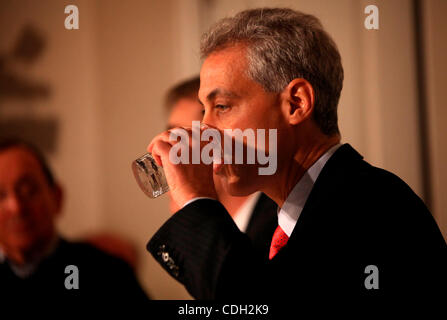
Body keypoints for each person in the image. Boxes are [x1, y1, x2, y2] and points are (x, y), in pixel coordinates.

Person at [146, 8, 447, 302]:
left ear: (296, 103)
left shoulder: (368, 208)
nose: (205, 129)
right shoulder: (305, 212)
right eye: (204, 111)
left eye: (222, 106)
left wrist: (196, 201)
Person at [0, 139, 149, 302]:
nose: (16, 207)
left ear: (57, 197)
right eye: (1, 196)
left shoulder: (106, 272)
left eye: (28, 191)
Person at [165, 76, 277, 259]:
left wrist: (196, 208)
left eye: (183, 139)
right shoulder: (216, 232)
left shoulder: (280, 224)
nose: (170, 155)